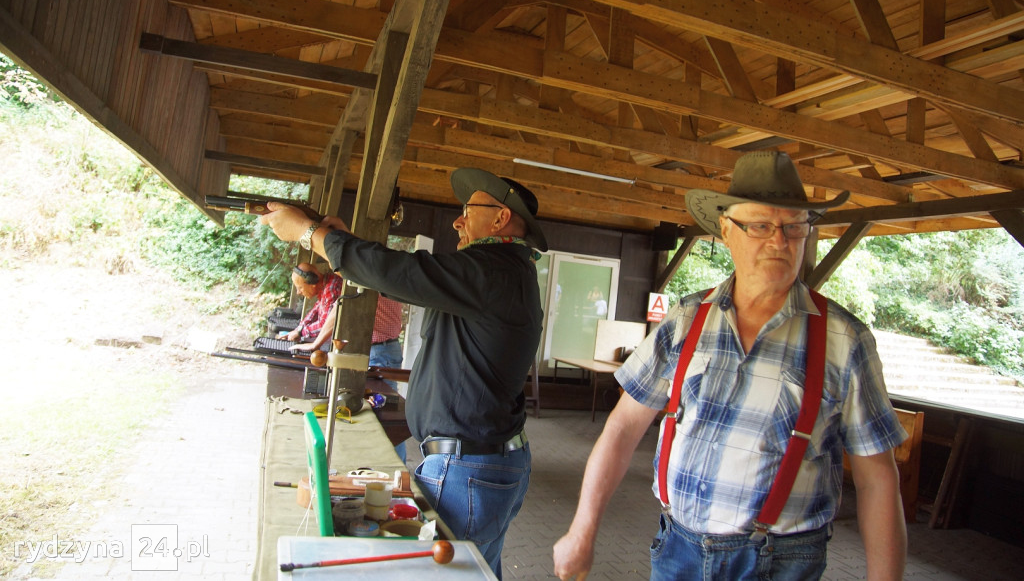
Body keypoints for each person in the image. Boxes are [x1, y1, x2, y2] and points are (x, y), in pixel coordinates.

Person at [553, 151, 908, 581]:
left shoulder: (844, 340)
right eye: (760, 225)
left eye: (794, 227)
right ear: (726, 229)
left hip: (779, 563)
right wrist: (581, 532)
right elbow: (623, 428)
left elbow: (877, 480)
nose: (779, 241)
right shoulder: (684, 320)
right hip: (676, 551)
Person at [259, 168, 547, 579]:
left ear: (500, 219)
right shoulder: (500, 271)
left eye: (469, 209)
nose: (458, 220)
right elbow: (398, 275)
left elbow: (400, 274)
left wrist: (310, 234)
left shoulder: (492, 269)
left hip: (467, 468)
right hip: (480, 464)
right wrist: (341, 247)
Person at [277, 263, 343, 347]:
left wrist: (301, 332)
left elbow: (324, 325)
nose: (298, 292)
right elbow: (315, 309)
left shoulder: (331, 290)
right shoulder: (325, 285)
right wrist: (298, 329)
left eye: (300, 287)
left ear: (313, 283)